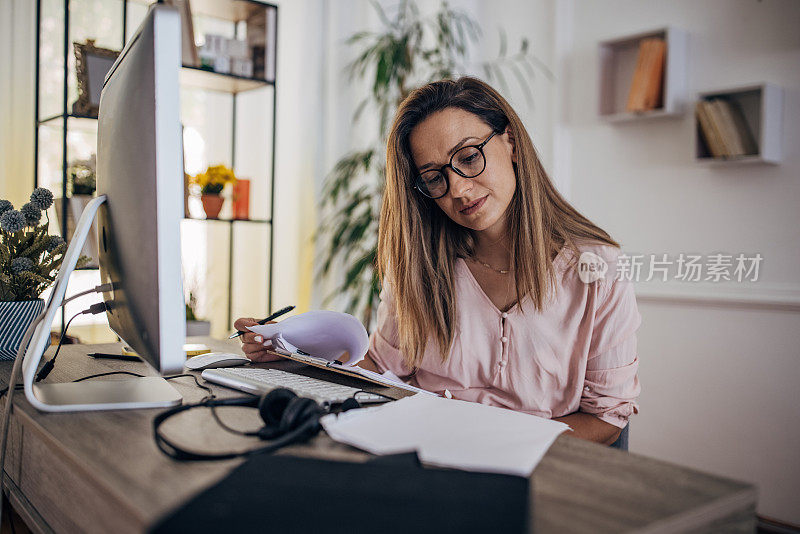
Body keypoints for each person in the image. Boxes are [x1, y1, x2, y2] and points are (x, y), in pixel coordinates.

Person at [236, 77, 641, 445]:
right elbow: (379, 370)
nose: (459, 190)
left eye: (468, 157)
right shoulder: (420, 266)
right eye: (434, 177)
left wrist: (495, 439)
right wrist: (289, 355)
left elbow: (606, 420)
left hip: (539, 469)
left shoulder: (597, 270)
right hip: (425, 455)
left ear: (511, 142)